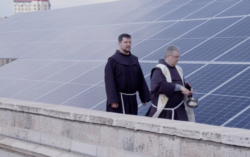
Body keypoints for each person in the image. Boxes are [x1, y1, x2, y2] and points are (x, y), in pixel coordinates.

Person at [146, 46, 195, 122]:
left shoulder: (179, 69)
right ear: (168, 56)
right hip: (164, 113)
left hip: (179, 111)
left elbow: (182, 84)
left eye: (178, 57)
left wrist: (187, 91)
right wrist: (179, 87)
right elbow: (158, 86)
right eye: (176, 57)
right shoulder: (159, 69)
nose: (178, 59)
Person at [104, 33, 150, 115]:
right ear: (119, 43)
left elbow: (140, 79)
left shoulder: (134, 60)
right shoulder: (113, 60)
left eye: (129, 42)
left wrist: (144, 97)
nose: (128, 44)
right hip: (119, 100)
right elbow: (109, 82)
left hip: (132, 99)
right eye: (125, 42)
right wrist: (113, 100)